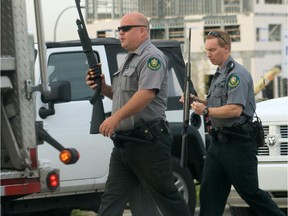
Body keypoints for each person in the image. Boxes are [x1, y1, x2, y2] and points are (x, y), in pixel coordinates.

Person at [86, 12, 191, 216]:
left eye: (125, 29)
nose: (120, 33)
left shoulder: (152, 58)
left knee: (167, 196)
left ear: (142, 31)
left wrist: (115, 118)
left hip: (148, 143)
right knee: (111, 200)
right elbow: (120, 95)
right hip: (125, 144)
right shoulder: (129, 59)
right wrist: (101, 86)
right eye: (119, 29)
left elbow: (145, 95)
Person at [182, 31, 285, 216]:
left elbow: (234, 109)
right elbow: (215, 104)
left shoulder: (236, 75)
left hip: (238, 145)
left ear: (226, 49)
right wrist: (195, 100)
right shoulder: (220, 74)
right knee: (209, 194)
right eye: (207, 50)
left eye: (213, 50)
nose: (209, 54)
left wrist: (205, 111)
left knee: (250, 193)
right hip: (218, 144)